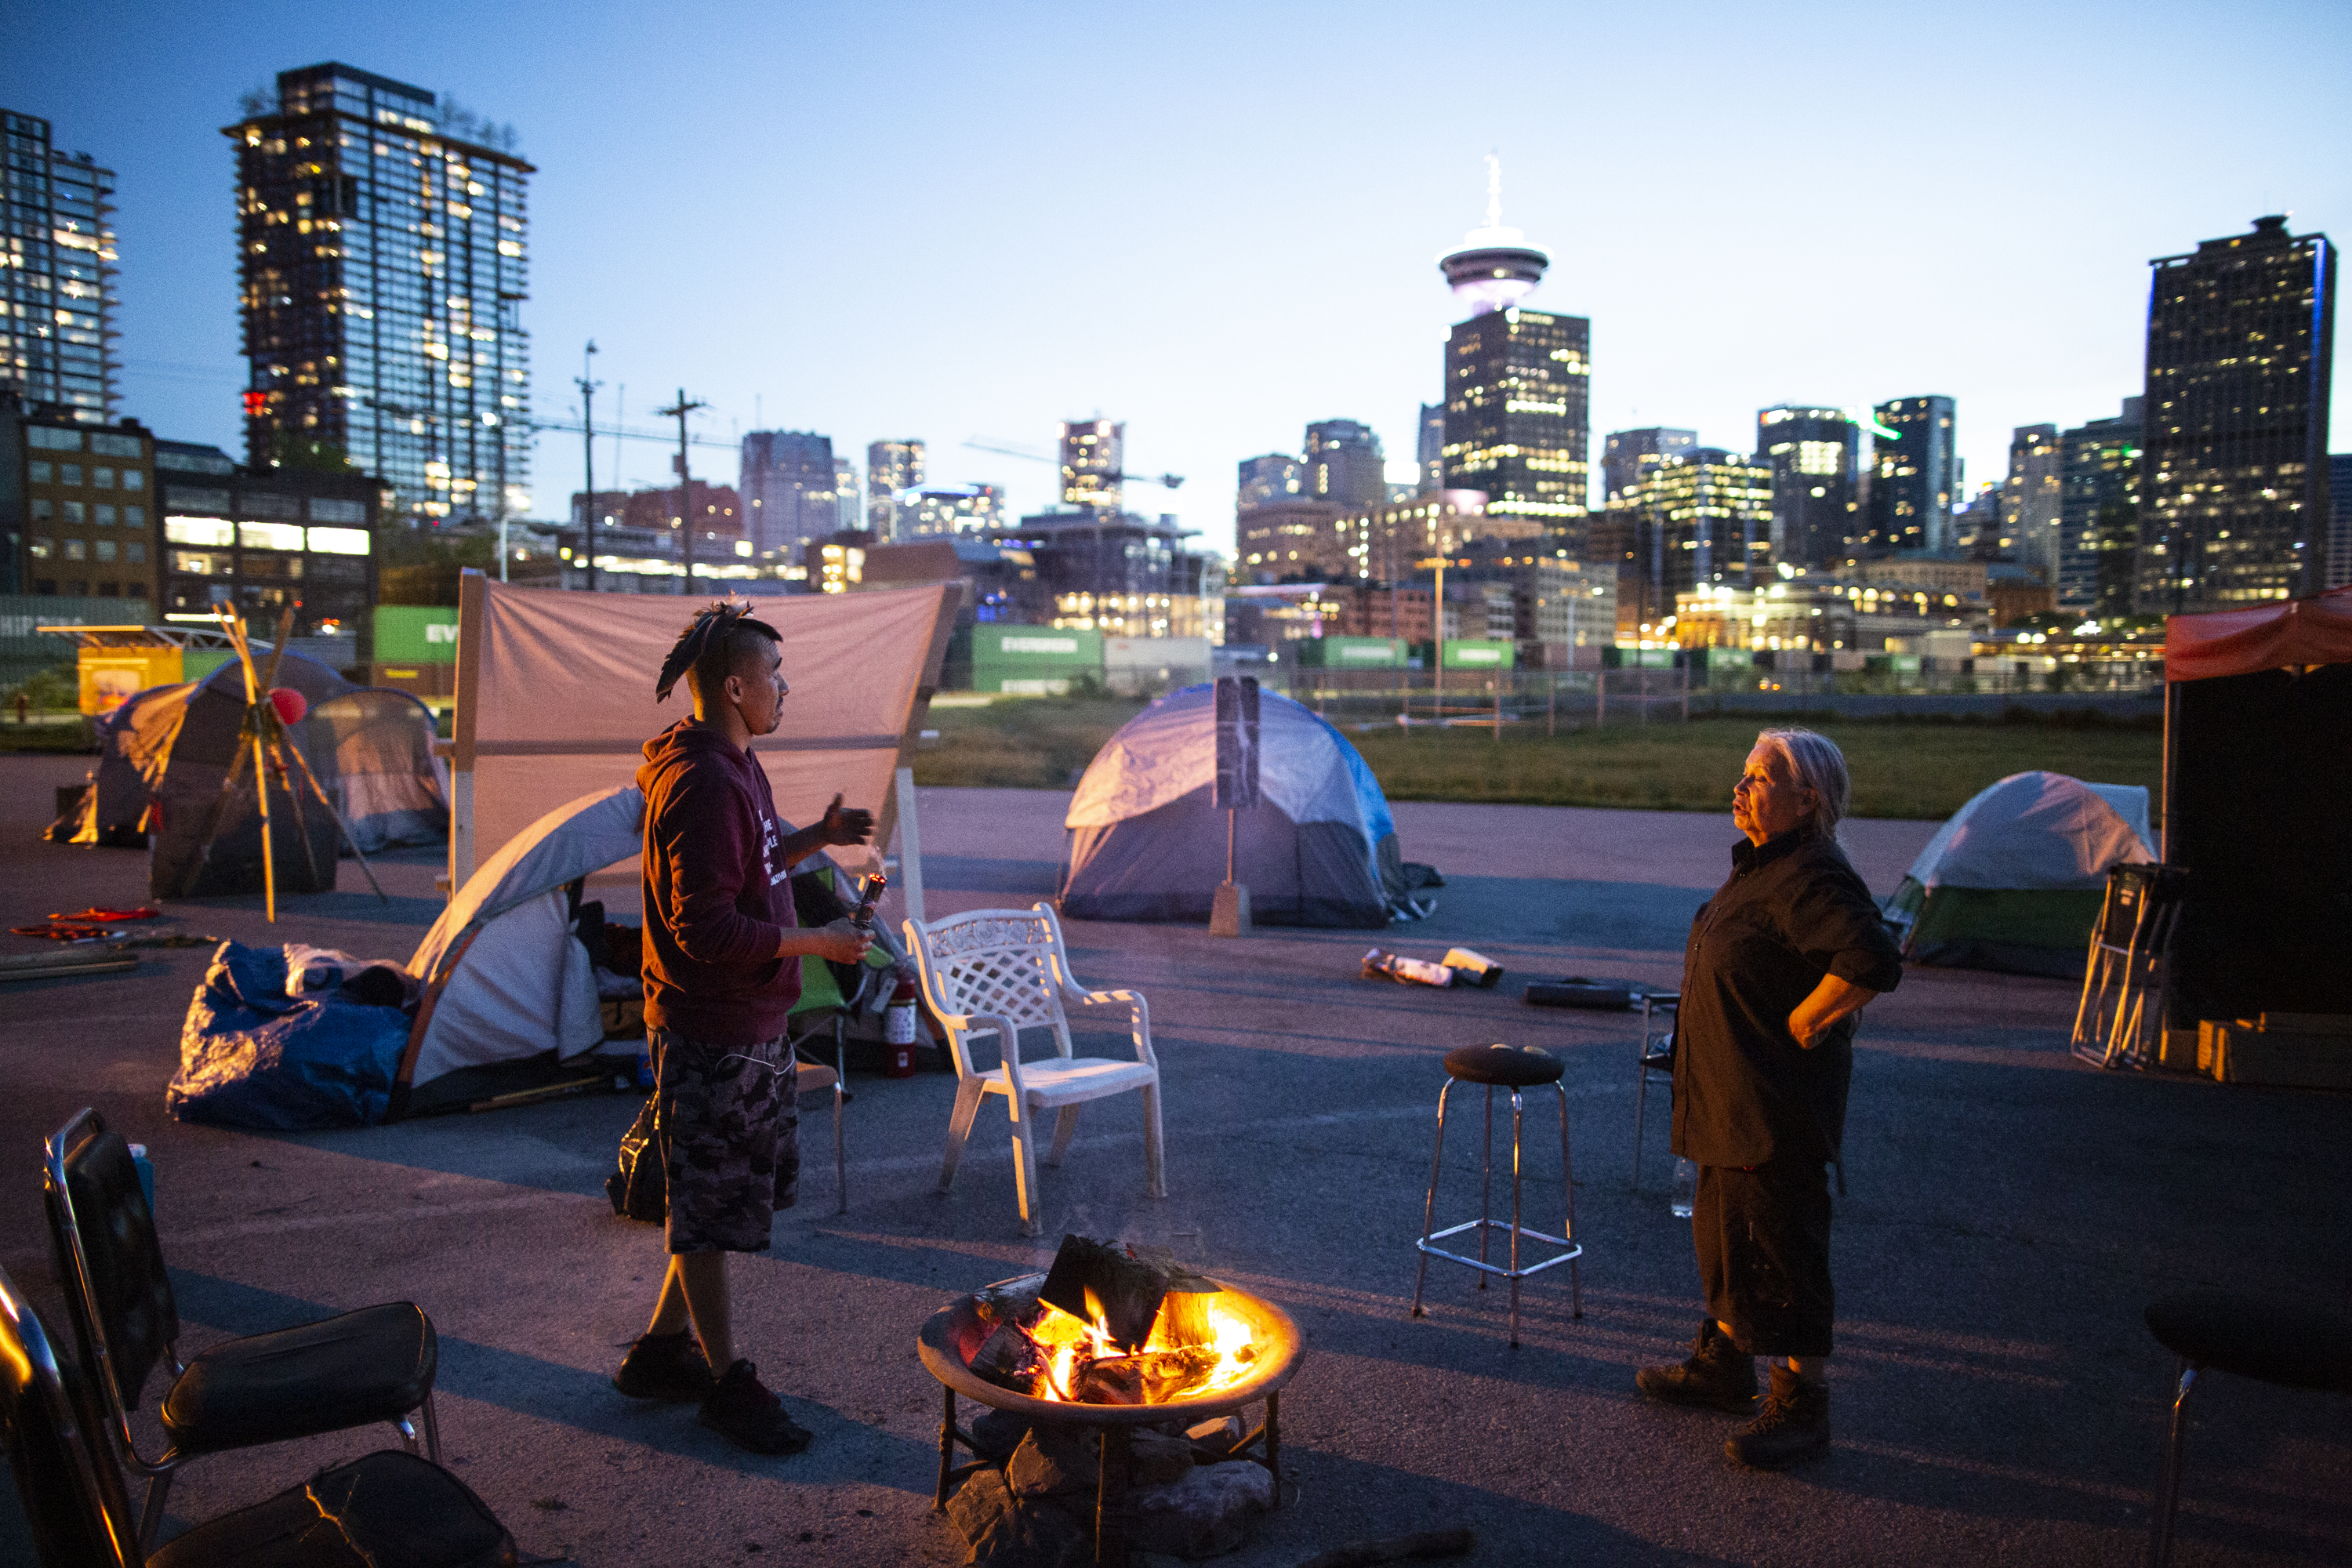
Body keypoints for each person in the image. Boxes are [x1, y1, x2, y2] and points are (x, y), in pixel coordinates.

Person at [612, 602, 876, 1454]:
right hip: (713, 1026)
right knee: (708, 1209)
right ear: (735, 684)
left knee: (716, 1199)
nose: (784, 689)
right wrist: (824, 941)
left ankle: (659, 1352)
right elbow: (708, 929)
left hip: (745, 1020)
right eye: (774, 675)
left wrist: (816, 839)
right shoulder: (703, 780)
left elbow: (752, 861)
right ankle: (729, 1382)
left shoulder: (734, 765)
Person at [1635, 727, 1902, 1470]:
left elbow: (1872, 958)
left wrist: (1807, 1018)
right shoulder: (1766, 866)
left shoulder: (1811, 872)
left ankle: (1801, 1401)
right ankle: (1726, 1364)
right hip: (1726, 1100)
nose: (1740, 788)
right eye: (1743, 775)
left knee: (1781, 1249)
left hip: (1769, 1108)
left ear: (1806, 798)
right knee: (1725, 1241)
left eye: (1758, 779)